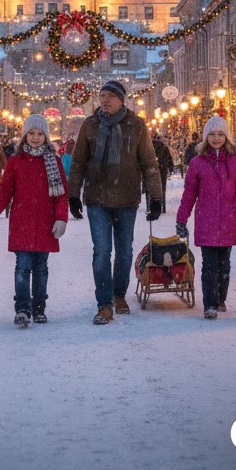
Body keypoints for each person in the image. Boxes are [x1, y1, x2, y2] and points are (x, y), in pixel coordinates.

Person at [67, 79, 164, 325]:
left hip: (126, 198)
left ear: (122, 99)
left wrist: (155, 197)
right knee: (101, 252)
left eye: (110, 96)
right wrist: (73, 194)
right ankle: (104, 302)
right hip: (97, 199)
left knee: (124, 252)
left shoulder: (136, 124)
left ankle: (119, 294)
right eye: (102, 96)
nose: (105, 100)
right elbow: (78, 163)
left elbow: (149, 163)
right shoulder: (90, 125)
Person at [0, 114, 70, 326]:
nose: (35, 137)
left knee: (41, 268)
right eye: (31, 133)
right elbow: (5, 192)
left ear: (46, 136)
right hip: (22, 222)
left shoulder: (54, 161)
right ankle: (22, 308)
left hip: (45, 223)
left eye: (40, 134)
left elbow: (61, 195)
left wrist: (61, 219)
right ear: (24, 136)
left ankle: (39, 307)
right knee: (22, 267)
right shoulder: (16, 161)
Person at [175, 115, 236, 318]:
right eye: (212, 134)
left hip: (228, 221)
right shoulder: (197, 163)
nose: (216, 138)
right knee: (209, 265)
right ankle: (210, 304)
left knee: (223, 264)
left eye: (220, 134)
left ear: (226, 137)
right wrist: (181, 219)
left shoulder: (235, 163)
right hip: (206, 220)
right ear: (205, 137)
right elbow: (189, 194)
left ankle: (220, 299)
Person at [152, 132, 174, 197]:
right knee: (162, 186)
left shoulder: (151, 147)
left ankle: (154, 200)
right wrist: (170, 168)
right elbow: (169, 158)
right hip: (162, 169)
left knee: (154, 187)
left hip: (154, 170)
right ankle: (162, 201)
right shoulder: (164, 147)